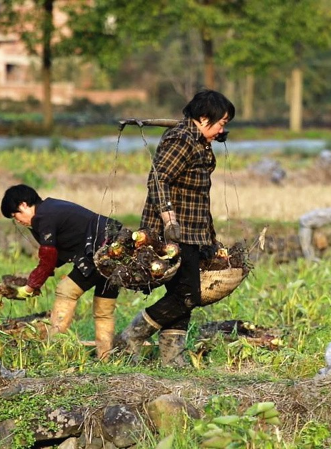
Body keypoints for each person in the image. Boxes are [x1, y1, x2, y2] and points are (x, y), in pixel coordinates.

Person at [115, 89, 235, 367]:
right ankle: (132, 337)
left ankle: (172, 357)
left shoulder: (199, 141)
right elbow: (158, 180)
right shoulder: (180, 140)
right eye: (221, 122)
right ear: (204, 118)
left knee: (181, 294)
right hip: (172, 233)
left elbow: (200, 197)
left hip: (194, 230)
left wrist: (212, 241)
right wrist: (169, 218)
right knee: (188, 295)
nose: (222, 128)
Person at [0, 184, 121, 360]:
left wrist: (30, 287)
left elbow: (49, 256)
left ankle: (52, 350)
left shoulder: (44, 216)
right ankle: (105, 358)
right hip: (116, 249)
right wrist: (33, 280)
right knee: (104, 309)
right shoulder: (50, 210)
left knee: (66, 291)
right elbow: (56, 256)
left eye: (15, 214)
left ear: (24, 204)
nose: (17, 220)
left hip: (100, 251)